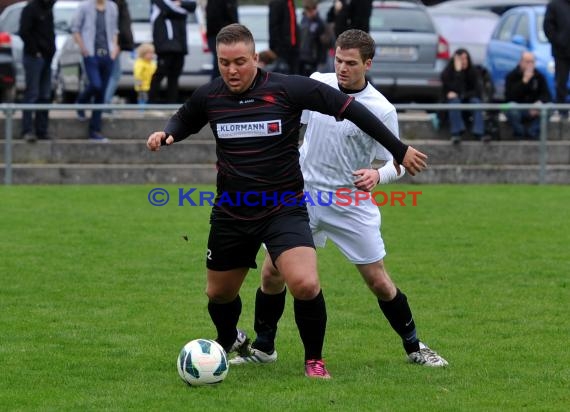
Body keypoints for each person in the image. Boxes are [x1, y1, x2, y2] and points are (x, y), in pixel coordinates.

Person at [146, 23, 428, 379]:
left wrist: (399, 151)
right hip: (233, 212)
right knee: (218, 293)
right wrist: (167, 134)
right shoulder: (211, 95)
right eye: (224, 63)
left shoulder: (288, 89)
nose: (231, 70)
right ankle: (232, 339)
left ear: (255, 58)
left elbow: (352, 109)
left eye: (239, 62)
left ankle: (315, 359)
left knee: (307, 284)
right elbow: (186, 117)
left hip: (285, 208)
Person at [229, 29, 448, 369]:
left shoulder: (382, 109)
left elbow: (397, 163)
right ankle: (263, 348)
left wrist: (379, 175)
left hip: (351, 204)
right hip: (302, 198)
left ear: (368, 64)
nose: (342, 68)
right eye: (338, 61)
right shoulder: (319, 83)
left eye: (351, 63)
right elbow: (291, 123)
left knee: (379, 281)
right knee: (273, 272)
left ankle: (415, 345)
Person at [72, 0, 119, 141]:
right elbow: (75, 29)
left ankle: (95, 130)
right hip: (91, 54)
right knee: (95, 84)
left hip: (108, 55)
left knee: (102, 94)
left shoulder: (112, 7)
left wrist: (114, 50)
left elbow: (114, 30)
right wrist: (83, 48)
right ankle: (80, 102)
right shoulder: (84, 7)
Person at [19, 0, 56, 142]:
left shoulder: (49, 9)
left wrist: (51, 52)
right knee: (32, 93)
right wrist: (35, 52)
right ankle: (27, 130)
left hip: (47, 58)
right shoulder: (30, 9)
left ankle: (42, 130)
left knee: (45, 95)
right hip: (34, 58)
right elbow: (24, 32)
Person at [148, 0, 196, 104]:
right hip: (165, 46)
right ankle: (150, 103)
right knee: (159, 75)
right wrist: (181, 7)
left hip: (180, 46)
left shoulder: (180, 3)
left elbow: (193, 5)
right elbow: (172, 10)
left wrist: (181, 4)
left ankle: (172, 104)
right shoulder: (159, 2)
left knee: (174, 76)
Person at [441, 48, 489, 144]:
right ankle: (456, 134)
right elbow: (452, 89)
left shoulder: (473, 72)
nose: (464, 61)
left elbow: (477, 91)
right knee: (454, 102)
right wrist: (458, 72)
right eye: (461, 59)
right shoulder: (447, 73)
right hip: (454, 103)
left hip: (468, 100)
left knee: (476, 102)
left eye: (465, 58)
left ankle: (479, 133)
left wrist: (461, 95)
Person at [504, 51, 551, 140]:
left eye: (532, 62)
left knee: (550, 107)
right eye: (527, 62)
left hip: (534, 108)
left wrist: (539, 102)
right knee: (512, 109)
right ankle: (520, 133)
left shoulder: (539, 76)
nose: (530, 64)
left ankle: (532, 131)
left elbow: (547, 95)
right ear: (520, 62)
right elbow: (510, 97)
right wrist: (524, 81)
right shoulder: (511, 76)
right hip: (518, 109)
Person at [103, 0, 134, 112]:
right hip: (112, 45)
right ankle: (105, 103)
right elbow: (122, 25)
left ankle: (104, 103)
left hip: (105, 44)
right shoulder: (116, 4)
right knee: (114, 74)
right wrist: (119, 44)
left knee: (109, 75)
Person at [544, 0, 570, 119]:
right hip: (561, 53)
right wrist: (558, 41)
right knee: (561, 82)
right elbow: (548, 27)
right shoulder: (554, 5)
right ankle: (562, 110)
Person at [206, 0, 238, 80]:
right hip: (220, 36)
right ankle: (215, 90)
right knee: (221, 65)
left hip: (227, 36)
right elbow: (213, 19)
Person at [297, 0, 329, 77]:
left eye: (312, 9)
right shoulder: (303, 20)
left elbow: (326, 41)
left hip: (314, 58)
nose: (310, 12)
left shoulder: (320, 23)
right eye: (308, 10)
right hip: (302, 56)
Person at [268, 0, 299, 74]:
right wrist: (277, 49)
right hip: (282, 50)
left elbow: (293, 26)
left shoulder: (290, 2)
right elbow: (273, 27)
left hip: (294, 49)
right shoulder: (277, 3)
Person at [133, 43, 157, 108]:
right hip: (142, 86)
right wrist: (139, 83)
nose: (151, 55)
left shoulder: (151, 63)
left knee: (148, 99)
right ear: (143, 54)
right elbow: (137, 74)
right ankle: (141, 111)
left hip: (149, 86)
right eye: (149, 53)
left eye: (152, 53)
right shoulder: (140, 63)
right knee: (142, 99)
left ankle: (146, 110)